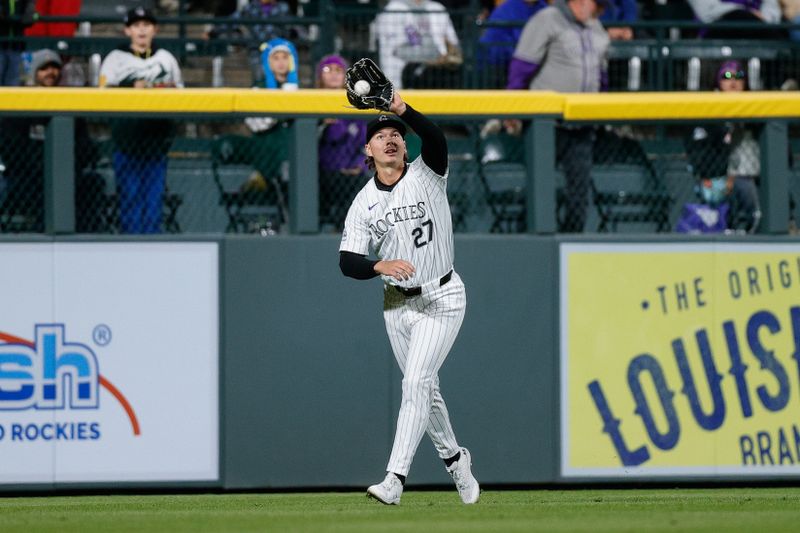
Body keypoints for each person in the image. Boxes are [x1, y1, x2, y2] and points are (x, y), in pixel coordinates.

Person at [338, 91, 480, 506]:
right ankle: (455, 459)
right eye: (380, 134)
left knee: (416, 382)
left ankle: (394, 478)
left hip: (443, 296)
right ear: (368, 149)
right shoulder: (363, 203)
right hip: (397, 305)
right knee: (425, 390)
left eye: (395, 134)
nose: (390, 138)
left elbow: (435, 138)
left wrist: (401, 108)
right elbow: (348, 261)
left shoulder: (427, 173)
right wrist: (379, 266)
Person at [507, 0, 610, 232]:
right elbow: (522, 65)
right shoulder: (547, 19)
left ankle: (571, 241)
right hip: (545, 124)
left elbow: (601, 74)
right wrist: (512, 105)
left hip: (582, 124)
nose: (598, 10)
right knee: (539, 189)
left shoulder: (595, 27)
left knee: (579, 192)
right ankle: (527, 239)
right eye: (597, 4)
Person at [99, 6, 183, 234]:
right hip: (127, 140)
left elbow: (181, 94)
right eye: (136, 26)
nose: (142, 30)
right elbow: (102, 95)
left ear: (155, 29)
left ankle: (152, 249)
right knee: (130, 200)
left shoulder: (166, 58)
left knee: (153, 203)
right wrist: (130, 86)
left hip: (157, 141)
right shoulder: (115, 59)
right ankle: (131, 248)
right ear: (127, 31)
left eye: (146, 25)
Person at [0, 48, 101, 232]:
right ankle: (39, 236)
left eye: (54, 68)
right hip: (28, 175)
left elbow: (86, 146)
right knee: (36, 186)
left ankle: (86, 239)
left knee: (92, 182)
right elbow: (11, 149)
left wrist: (66, 164)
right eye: (44, 68)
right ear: (34, 73)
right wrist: (44, 164)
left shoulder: (69, 103)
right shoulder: (20, 104)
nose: (50, 73)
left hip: (67, 172)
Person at [316, 54, 368, 230]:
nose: (333, 74)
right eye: (327, 70)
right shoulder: (312, 103)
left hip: (352, 173)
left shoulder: (356, 105)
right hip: (323, 174)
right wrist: (323, 124)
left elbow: (364, 144)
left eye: (339, 70)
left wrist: (358, 165)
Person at [372, 0, 462, 89]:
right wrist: (432, 60)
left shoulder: (437, 7)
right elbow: (395, 50)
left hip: (436, 71)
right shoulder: (392, 9)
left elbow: (453, 43)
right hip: (403, 73)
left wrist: (449, 55)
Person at [477, 0, 548, 88]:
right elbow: (496, 47)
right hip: (496, 69)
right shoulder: (507, 9)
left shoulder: (544, 8)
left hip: (529, 65)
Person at [0, 0, 37, 86]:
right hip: (2, 44)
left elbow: (32, 16)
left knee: (14, 79)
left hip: (16, 46)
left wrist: (31, 13)